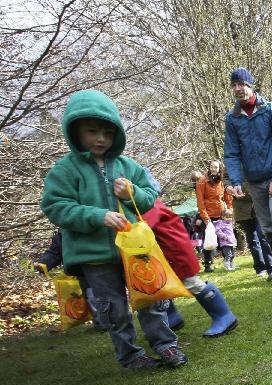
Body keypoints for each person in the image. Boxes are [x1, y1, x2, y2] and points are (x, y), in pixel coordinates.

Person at [40, 89, 185, 369]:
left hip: (133, 250)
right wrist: (97, 216)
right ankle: (131, 356)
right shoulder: (65, 170)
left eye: (107, 132)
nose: (101, 139)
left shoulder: (126, 166)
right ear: (75, 131)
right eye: (92, 131)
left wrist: (132, 191)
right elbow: (55, 206)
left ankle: (166, 346)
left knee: (151, 298)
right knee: (114, 308)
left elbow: (148, 198)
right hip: (93, 255)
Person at [141, 168, 238, 338]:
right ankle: (172, 317)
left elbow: (145, 225)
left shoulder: (149, 205)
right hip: (160, 251)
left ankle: (224, 316)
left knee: (191, 282)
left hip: (173, 250)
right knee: (159, 284)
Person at [223, 67, 272, 282]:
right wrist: (235, 181)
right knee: (266, 226)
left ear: (250, 85)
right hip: (253, 180)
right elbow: (232, 153)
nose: (238, 89)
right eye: (234, 85)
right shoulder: (233, 118)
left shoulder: (271, 110)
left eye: (241, 84)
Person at [195, 159, 237, 272]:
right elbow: (200, 202)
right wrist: (205, 218)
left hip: (221, 214)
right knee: (209, 239)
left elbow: (227, 197)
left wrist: (230, 209)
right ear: (209, 167)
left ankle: (228, 260)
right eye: (211, 167)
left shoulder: (222, 181)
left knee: (226, 239)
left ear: (219, 169)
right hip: (208, 215)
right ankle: (208, 264)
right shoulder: (202, 181)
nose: (213, 169)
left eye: (216, 167)